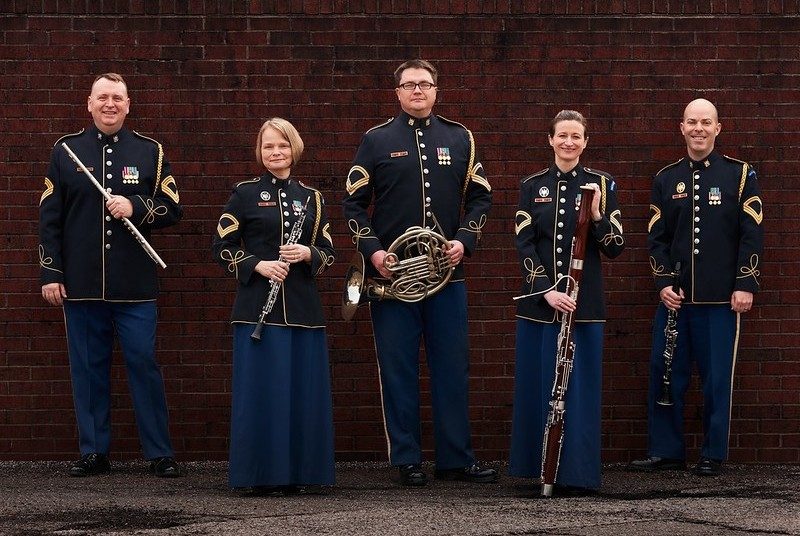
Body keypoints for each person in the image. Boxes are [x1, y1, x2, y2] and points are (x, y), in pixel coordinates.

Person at [342, 59, 496, 487]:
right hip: (394, 280)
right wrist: (373, 254)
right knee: (398, 369)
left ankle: (455, 459)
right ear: (397, 92)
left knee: (452, 368)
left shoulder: (459, 137)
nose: (417, 91)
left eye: (425, 84)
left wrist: (464, 240)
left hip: (448, 278)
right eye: (409, 85)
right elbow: (353, 205)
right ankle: (407, 458)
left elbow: (482, 199)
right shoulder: (375, 140)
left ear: (436, 90)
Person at [38, 73, 182, 478]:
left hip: (134, 286)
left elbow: (172, 207)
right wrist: (51, 272)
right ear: (89, 103)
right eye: (102, 97)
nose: (109, 104)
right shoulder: (66, 151)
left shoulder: (150, 151)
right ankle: (94, 451)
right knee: (87, 370)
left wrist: (135, 206)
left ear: (128, 104)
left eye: (117, 98)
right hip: (81, 285)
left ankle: (158, 453)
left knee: (144, 365)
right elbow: (49, 219)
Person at [630, 99, 763, 477]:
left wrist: (745, 283)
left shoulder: (740, 175)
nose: (699, 129)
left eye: (706, 122)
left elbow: (751, 235)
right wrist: (662, 282)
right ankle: (666, 450)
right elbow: (656, 238)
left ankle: (712, 453)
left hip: (722, 300)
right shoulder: (666, 178)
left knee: (717, 378)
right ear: (682, 127)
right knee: (666, 372)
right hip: (676, 300)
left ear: (718, 128)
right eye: (692, 122)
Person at [212, 118, 336, 496]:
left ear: (294, 149)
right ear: (260, 152)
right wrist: (256, 264)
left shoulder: (312, 198)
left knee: (301, 394)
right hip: (256, 311)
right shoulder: (244, 194)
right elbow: (222, 247)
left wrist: (307, 253)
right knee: (261, 395)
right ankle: (261, 475)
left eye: (282, 145)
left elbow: (329, 253)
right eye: (268, 146)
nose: (275, 153)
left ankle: (300, 473)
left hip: (302, 311)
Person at [508, 110, 625, 495]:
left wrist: (597, 218)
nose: (569, 142)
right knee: (539, 386)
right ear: (550, 139)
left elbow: (615, 248)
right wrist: (546, 290)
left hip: (583, 307)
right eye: (562, 135)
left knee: (579, 392)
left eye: (577, 136)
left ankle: (575, 474)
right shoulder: (532, 185)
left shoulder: (602, 185)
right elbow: (524, 243)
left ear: (586, 141)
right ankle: (537, 469)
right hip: (541, 307)